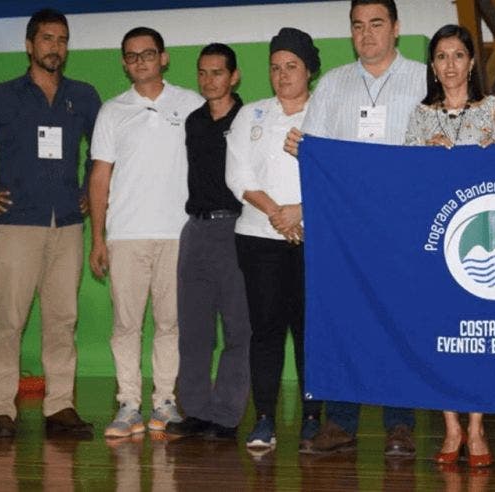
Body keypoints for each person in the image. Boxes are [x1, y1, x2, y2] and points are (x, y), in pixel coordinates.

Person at [0, 8, 101, 439]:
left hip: (68, 225)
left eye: (63, 39)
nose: (56, 47)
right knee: (9, 319)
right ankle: (1, 410)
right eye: (47, 39)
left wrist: (90, 187)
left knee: (63, 318)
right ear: (30, 46)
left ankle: (60, 407)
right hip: (16, 225)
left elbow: (104, 150)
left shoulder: (83, 96)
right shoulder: (1, 96)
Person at [285, 0, 427, 456]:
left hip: (405, 224)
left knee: (400, 321)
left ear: (397, 28)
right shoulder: (332, 85)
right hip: (344, 229)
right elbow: (316, 152)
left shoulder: (423, 79)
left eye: (377, 24)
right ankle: (340, 422)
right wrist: (302, 149)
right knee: (342, 322)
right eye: (358, 26)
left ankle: (399, 426)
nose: (366, 34)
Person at [89, 27, 205, 438]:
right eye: (132, 55)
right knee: (126, 324)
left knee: (171, 324)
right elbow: (99, 179)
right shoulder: (112, 111)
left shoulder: (192, 105)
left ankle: (165, 402)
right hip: (126, 236)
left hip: (179, 235)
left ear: (164, 58)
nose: (140, 61)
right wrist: (98, 239)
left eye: (148, 53)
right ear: (124, 62)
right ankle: (127, 405)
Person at [403, 24, 495, 467]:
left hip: (484, 235)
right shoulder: (420, 115)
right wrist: (427, 155)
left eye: (458, 55)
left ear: (472, 62)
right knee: (441, 334)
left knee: (476, 336)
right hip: (435, 237)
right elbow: (407, 175)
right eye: (441, 56)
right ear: (432, 65)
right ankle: (451, 427)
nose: (449, 65)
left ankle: (477, 428)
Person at [225, 27, 322, 453]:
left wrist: (299, 212)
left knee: (309, 330)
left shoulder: (325, 113)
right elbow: (237, 175)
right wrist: (277, 215)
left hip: (313, 237)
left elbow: (337, 175)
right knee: (264, 330)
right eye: (275, 67)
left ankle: (313, 418)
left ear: (309, 71)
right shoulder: (252, 115)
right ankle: (263, 417)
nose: (283, 75)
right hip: (258, 239)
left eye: (292, 67)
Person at [163, 43, 250, 441]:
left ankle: (226, 415)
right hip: (195, 230)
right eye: (202, 72)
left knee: (238, 328)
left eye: (217, 72)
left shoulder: (249, 119)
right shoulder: (194, 121)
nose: (208, 79)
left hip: (235, 230)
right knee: (194, 329)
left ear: (234, 77)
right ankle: (195, 411)